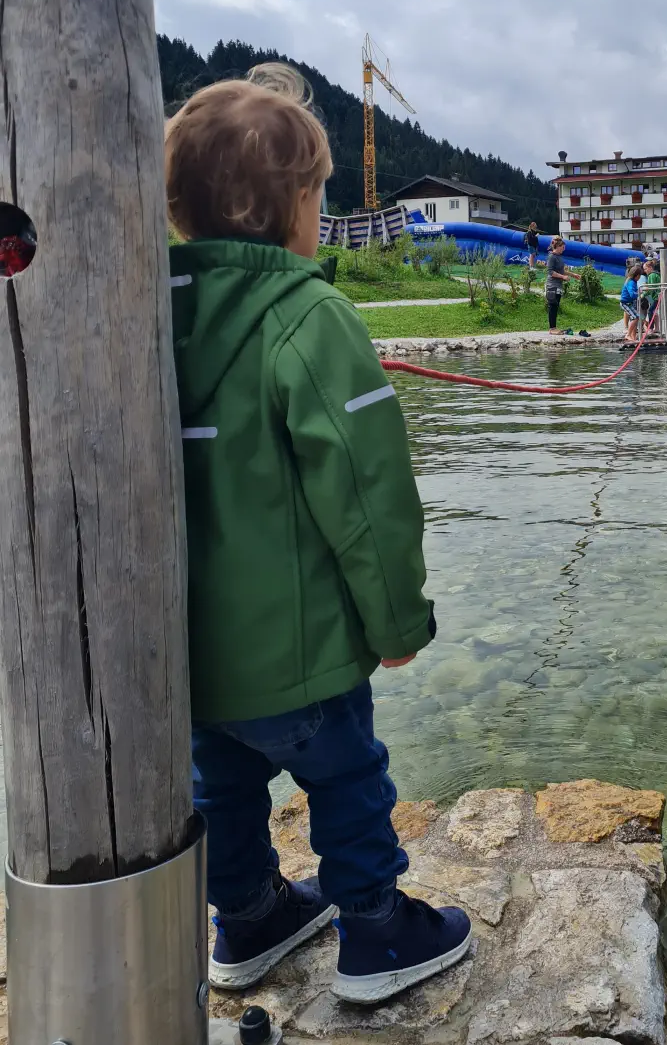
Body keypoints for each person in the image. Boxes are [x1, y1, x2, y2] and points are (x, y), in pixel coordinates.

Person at [165, 64, 471, 1004]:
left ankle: (247, 918)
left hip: (193, 657)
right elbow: (369, 495)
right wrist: (398, 623)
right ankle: (376, 932)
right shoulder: (312, 317)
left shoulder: (149, 311)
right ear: (288, 208)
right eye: (319, 194)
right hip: (304, 652)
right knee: (348, 778)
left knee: (222, 787)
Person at [545, 236, 574, 333]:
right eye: (562, 247)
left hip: (558, 285)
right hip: (552, 285)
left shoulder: (559, 257)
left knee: (556, 306)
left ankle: (554, 327)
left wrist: (573, 275)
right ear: (557, 247)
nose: (564, 249)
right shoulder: (551, 257)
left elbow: (562, 271)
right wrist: (563, 277)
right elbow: (550, 272)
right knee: (552, 306)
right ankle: (552, 329)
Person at [620, 263, 643, 340]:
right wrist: (639, 293)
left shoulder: (633, 281)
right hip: (625, 303)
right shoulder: (631, 282)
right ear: (637, 275)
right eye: (640, 276)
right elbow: (632, 294)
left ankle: (633, 338)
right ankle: (628, 334)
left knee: (637, 318)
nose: (640, 278)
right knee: (635, 318)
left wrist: (639, 291)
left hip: (629, 303)